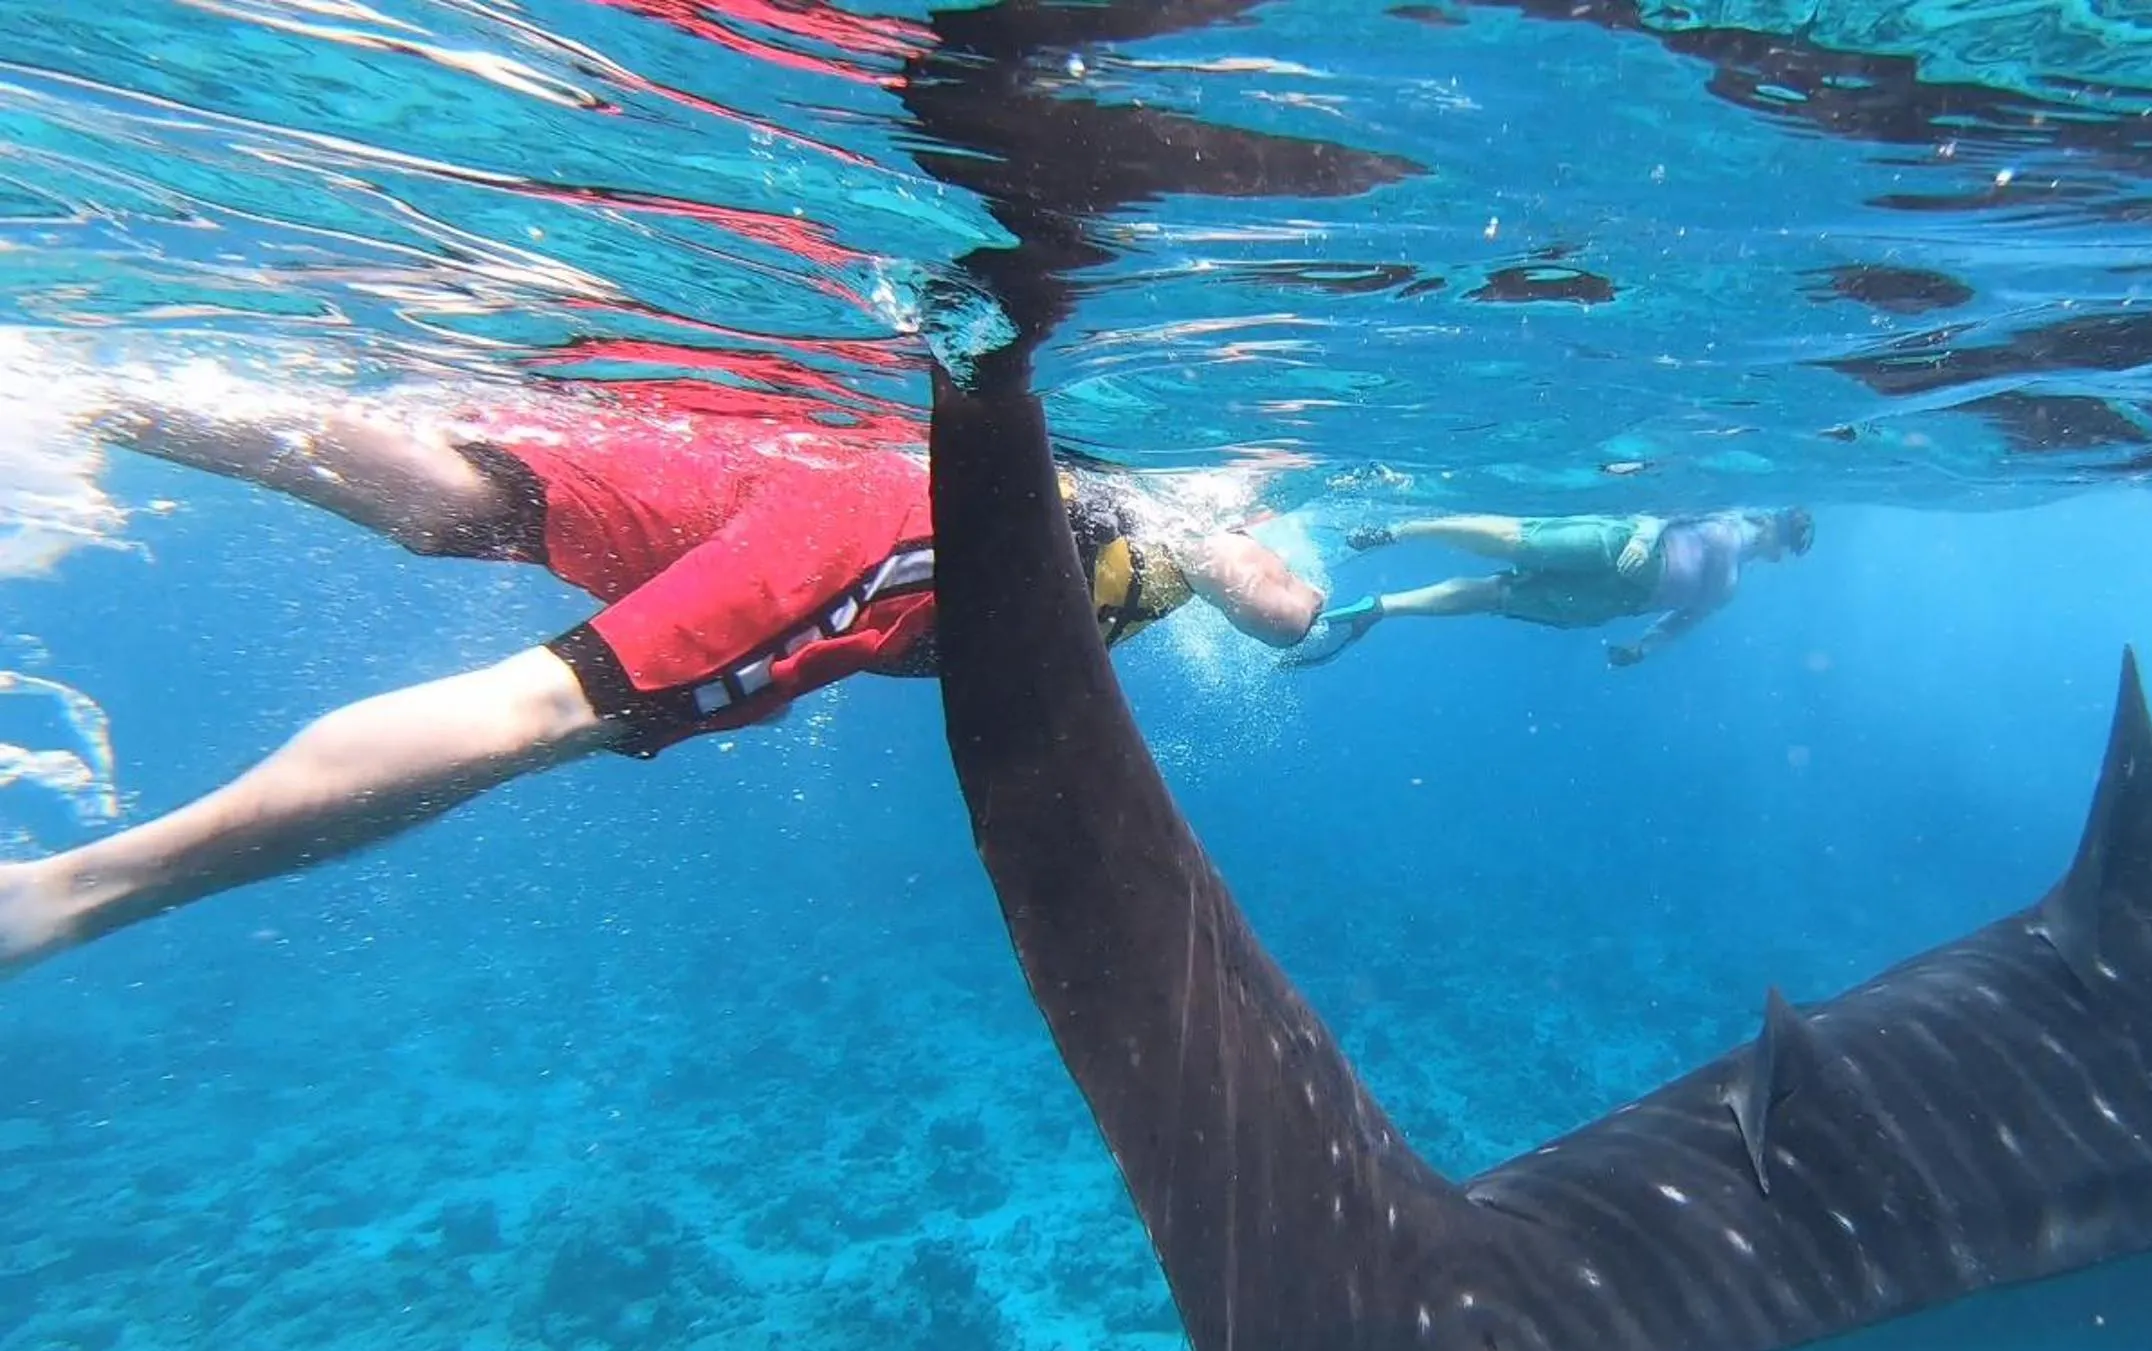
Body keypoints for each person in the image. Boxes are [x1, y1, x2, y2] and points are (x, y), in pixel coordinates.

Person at [0, 377, 1324, 975]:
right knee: (541, 710)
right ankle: (65, 898)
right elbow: (1277, 612)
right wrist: (1271, 556)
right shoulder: (1182, 504)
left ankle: (103, 396)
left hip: (783, 462)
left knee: (461, 502)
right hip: (873, 530)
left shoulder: (1103, 474)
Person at [1286, 507, 1813, 667]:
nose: (1777, 548)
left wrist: (1642, 648)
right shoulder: (1730, 518)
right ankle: (1400, 530)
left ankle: (1379, 607)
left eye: (1786, 545)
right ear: (1776, 528)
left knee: (1497, 594)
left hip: (1616, 599)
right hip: (1623, 545)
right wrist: (1645, 533)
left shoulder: (1729, 587)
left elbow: (1681, 622)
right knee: (1515, 541)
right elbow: (1671, 511)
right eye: (1785, 539)